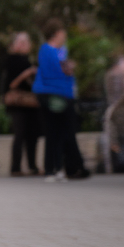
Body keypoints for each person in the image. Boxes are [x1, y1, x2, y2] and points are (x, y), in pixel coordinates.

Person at [32, 19, 89, 182]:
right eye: (63, 32)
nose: (65, 35)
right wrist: (67, 70)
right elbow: (54, 73)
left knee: (61, 133)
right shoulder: (47, 50)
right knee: (52, 132)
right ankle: (50, 170)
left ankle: (58, 169)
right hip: (52, 96)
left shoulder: (60, 51)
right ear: (56, 33)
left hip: (63, 96)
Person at [3, 32, 40, 176]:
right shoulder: (11, 60)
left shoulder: (28, 60)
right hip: (17, 103)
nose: (24, 44)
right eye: (20, 41)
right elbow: (10, 84)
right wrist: (27, 73)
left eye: (26, 41)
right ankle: (15, 167)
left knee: (33, 135)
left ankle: (33, 166)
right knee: (19, 135)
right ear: (14, 44)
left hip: (30, 104)